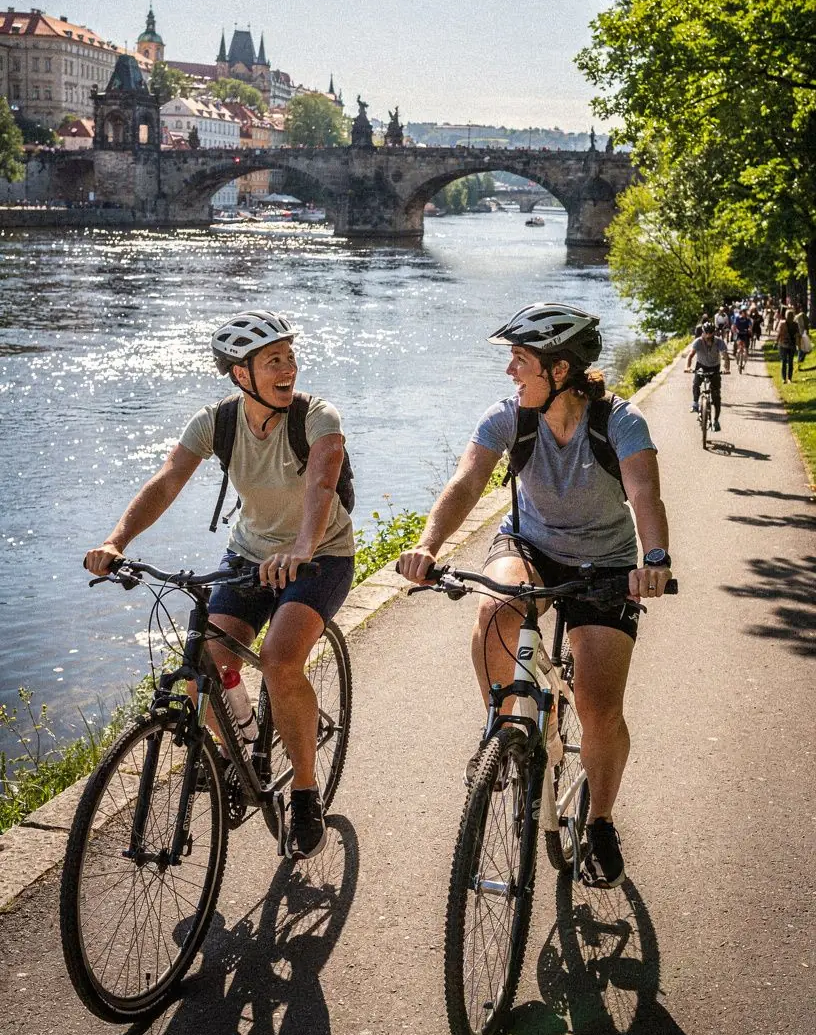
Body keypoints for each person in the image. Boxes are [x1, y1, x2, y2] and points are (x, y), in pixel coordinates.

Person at [398, 303, 672, 890]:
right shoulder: (510, 418)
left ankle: (598, 820)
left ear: (561, 369)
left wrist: (653, 558)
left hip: (609, 562)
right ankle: (501, 729)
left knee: (600, 707)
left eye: (520, 361)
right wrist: (426, 546)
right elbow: (467, 481)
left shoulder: (619, 423)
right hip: (531, 542)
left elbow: (645, 492)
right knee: (495, 607)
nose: (509, 373)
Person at [84, 309, 355, 860]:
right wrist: (117, 541)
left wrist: (303, 546)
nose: (289, 368)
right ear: (240, 373)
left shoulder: (318, 417)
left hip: (321, 555)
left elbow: (322, 484)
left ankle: (304, 789)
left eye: (290, 357)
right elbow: (165, 483)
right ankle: (241, 748)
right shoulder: (215, 423)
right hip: (249, 556)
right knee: (204, 662)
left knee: (280, 660)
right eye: (273, 361)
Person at [684, 321, 730, 428]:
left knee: (716, 396)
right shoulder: (698, 342)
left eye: (710, 333)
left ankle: (716, 421)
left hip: (715, 367)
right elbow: (690, 356)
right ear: (703, 332)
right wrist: (687, 367)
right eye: (706, 333)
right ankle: (695, 403)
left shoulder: (719, 342)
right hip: (701, 365)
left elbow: (725, 356)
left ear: (714, 333)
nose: (708, 335)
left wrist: (726, 368)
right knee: (696, 383)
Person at [776, 308, 800, 383]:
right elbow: (798, 335)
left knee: (785, 361)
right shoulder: (795, 324)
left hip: (784, 344)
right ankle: (788, 378)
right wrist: (798, 345)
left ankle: (785, 379)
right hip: (789, 345)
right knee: (789, 362)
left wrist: (776, 342)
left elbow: (779, 334)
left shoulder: (783, 323)